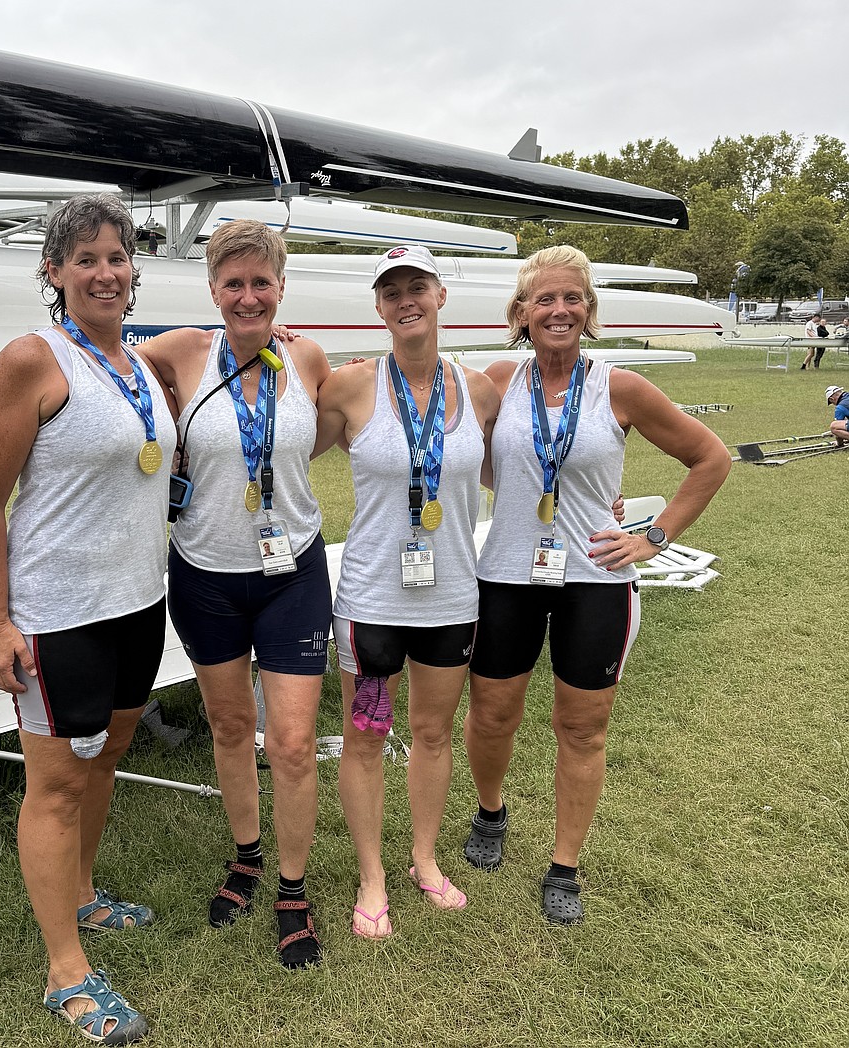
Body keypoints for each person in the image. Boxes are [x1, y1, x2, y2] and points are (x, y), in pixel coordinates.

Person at [461, 245, 731, 926]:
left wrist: (653, 536)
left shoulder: (621, 387)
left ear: (589, 310)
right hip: (507, 575)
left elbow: (710, 457)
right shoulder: (498, 381)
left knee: (581, 729)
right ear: (521, 313)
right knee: (492, 715)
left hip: (595, 579)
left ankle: (564, 865)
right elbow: (450, 432)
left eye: (573, 297)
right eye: (544, 299)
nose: (559, 310)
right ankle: (490, 812)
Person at [0, 193, 175, 1045]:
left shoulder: (137, 362)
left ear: (134, 268)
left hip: (138, 604)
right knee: (55, 786)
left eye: (116, 257)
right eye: (85, 258)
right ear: (53, 271)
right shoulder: (32, 359)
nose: (104, 273)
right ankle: (65, 973)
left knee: (106, 757)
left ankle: (84, 896)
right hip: (59, 617)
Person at [136, 220, 332, 968]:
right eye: (234, 283)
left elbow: (341, 430)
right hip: (204, 574)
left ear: (281, 288)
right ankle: (246, 855)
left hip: (293, 575)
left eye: (262, 283)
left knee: (291, 743)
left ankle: (292, 887)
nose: (249, 297)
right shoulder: (184, 350)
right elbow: (111, 364)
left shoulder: (307, 357)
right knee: (228, 726)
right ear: (213, 289)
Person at [315, 245, 501, 938]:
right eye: (391, 291)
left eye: (416, 286)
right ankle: (372, 875)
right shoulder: (350, 387)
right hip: (371, 601)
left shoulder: (480, 391)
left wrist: (597, 503)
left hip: (452, 596)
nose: (405, 300)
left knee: (432, 732)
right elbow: (286, 447)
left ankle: (424, 858)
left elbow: (512, 472)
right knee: (366, 735)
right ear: (379, 307)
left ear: (439, 295)